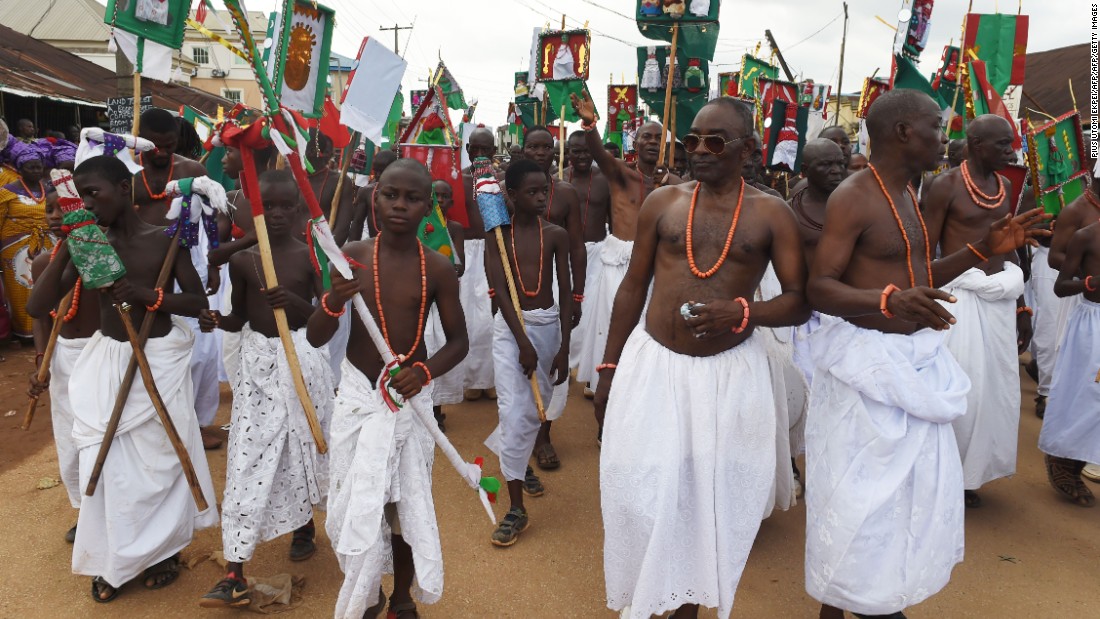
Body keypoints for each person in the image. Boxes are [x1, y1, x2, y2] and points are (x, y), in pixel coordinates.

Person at [804, 89, 1048, 619]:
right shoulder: (855, 196)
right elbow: (818, 288)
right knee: (859, 503)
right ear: (902, 133)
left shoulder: (910, 194)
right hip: (865, 372)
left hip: (907, 363)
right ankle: (865, 606)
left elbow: (916, 278)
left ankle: (862, 603)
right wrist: (887, 300)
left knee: (894, 505)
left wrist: (984, 249)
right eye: (937, 127)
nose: (946, 137)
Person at [595, 97, 809, 619]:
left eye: (716, 141)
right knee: (636, 488)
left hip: (729, 377)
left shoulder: (771, 214)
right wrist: (608, 368)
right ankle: (649, 592)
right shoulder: (663, 202)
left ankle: (687, 605)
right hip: (654, 369)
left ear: (748, 151)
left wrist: (742, 312)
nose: (700, 150)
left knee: (707, 500)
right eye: (692, 139)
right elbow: (632, 286)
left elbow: (800, 301)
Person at [32, 154, 217, 602]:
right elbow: (39, 306)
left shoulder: (163, 242)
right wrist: (68, 246)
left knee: (160, 462)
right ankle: (115, 558)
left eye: (93, 193)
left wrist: (146, 296)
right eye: (81, 196)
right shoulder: (89, 246)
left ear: (124, 189)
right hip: (109, 361)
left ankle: (162, 552)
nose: (87, 204)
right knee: (108, 461)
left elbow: (195, 301)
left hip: (158, 361)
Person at [309, 159, 468, 619]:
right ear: (374, 199)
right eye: (390, 195)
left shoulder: (438, 268)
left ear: (428, 207)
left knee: (404, 503)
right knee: (355, 500)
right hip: (359, 398)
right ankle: (367, 589)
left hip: (409, 403)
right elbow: (317, 335)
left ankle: (400, 596)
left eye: (412, 198)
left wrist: (423, 372)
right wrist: (335, 299)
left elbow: (459, 342)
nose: (399, 205)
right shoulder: (351, 254)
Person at [197, 170, 333, 608]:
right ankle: (235, 569)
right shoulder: (244, 260)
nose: (275, 214)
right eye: (266, 207)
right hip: (257, 365)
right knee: (247, 456)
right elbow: (239, 315)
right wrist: (215, 321)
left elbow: (325, 322)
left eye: (284, 206)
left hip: (301, 362)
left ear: (298, 211)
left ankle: (304, 526)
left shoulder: (312, 257)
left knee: (302, 448)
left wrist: (295, 305)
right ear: (254, 212)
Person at [922, 114, 1031, 508]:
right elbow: (923, 252)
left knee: (993, 392)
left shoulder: (1003, 185)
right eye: (1003, 144)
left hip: (998, 297)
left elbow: (1010, 243)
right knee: (958, 389)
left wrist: (1023, 306)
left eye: (1011, 143)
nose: (1010, 150)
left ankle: (971, 475)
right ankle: (944, 474)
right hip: (958, 298)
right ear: (976, 144)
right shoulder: (943, 186)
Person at [570, 91, 681, 428]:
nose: (651, 141)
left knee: (649, 334)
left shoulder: (676, 185)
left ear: (666, 145)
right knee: (612, 332)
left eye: (658, 137)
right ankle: (609, 407)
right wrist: (590, 125)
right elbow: (598, 153)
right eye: (645, 135)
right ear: (636, 141)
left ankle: (644, 401)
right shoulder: (620, 174)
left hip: (657, 269)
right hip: (618, 266)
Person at [484, 158, 571, 546]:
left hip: (549, 327)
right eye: (531, 192)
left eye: (544, 191)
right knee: (513, 409)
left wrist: (565, 346)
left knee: (537, 409)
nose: (540, 197)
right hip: (511, 330)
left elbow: (566, 291)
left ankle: (515, 462)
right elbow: (500, 291)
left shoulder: (555, 234)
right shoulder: (496, 237)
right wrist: (521, 341)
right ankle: (516, 507)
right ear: (512, 195)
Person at [25, 183, 100, 543]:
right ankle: (85, 510)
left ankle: (105, 507)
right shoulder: (43, 263)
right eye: (48, 209)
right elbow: (39, 317)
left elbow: (123, 305)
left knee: (100, 438)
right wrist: (43, 359)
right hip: (63, 359)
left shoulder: (102, 256)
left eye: (61, 208)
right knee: (70, 440)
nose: (54, 216)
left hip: (103, 354)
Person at [519, 126, 583, 468]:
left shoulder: (567, 193)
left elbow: (576, 247)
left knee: (552, 361)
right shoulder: (505, 191)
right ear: (524, 149)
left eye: (546, 146)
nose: (540, 152)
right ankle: (518, 431)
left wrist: (579, 293)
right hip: (518, 289)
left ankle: (544, 436)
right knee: (518, 361)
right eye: (533, 146)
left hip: (556, 288)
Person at [1039, 217, 1100, 506]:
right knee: (1088, 395)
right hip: (1093, 323)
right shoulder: (1086, 236)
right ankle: (1063, 461)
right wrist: (1091, 282)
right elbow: (1061, 286)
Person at [563, 130, 612, 398]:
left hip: (597, 255)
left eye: (586, 151)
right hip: (564, 255)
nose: (581, 156)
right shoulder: (558, 179)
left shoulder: (605, 181)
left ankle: (591, 373)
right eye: (575, 151)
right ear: (568, 152)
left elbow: (614, 222)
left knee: (593, 314)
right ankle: (564, 364)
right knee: (562, 309)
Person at [0, 139, 56, 341]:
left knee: (45, 285)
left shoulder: (49, 189)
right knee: (20, 288)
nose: (35, 170)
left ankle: (46, 330)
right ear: (19, 168)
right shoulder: (8, 192)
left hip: (48, 244)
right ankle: (22, 332)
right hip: (14, 249)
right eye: (30, 167)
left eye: (38, 167)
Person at [459, 128, 498, 401]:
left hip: (491, 252)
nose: (481, 155)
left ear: (494, 152)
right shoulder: (456, 181)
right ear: (469, 150)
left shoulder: (500, 181)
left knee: (489, 319)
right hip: (462, 254)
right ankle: (470, 380)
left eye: (487, 150)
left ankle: (490, 378)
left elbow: (498, 223)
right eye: (476, 149)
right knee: (466, 319)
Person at [426, 178, 466, 432]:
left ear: (451, 201)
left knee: (439, 348)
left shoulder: (454, 228)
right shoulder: (419, 226)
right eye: (435, 196)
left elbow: (460, 265)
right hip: (417, 298)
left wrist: (444, 266)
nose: (440, 201)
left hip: (442, 299)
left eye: (444, 197)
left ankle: (436, 410)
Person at [133, 109, 208, 226]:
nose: (162, 153)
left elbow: (210, 218)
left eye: (169, 146)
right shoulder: (125, 170)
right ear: (140, 139)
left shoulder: (193, 171)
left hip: (181, 243)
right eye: (155, 147)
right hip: (134, 243)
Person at [349, 149, 399, 241]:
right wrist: (350, 252)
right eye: (376, 171)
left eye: (382, 171)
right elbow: (357, 223)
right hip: (374, 246)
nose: (378, 175)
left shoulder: (402, 193)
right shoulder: (366, 191)